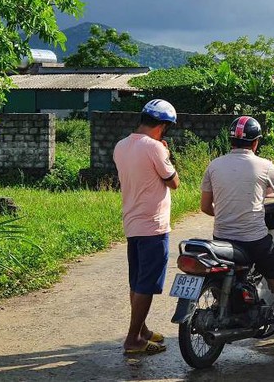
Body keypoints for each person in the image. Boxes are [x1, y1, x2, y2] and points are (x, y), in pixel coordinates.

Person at [200, 116, 274, 356]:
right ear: (256, 143)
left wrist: (227, 214)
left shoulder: (214, 165)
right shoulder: (264, 165)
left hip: (221, 239)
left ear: (231, 140)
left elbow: (205, 207)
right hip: (254, 240)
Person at [113, 99, 180, 355]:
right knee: (146, 285)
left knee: (137, 281)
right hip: (154, 225)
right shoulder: (155, 148)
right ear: (163, 126)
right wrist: (167, 155)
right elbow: (174, 183)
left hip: (132, 223)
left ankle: (141, 329)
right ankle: (133, 339)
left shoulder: (120, 146)